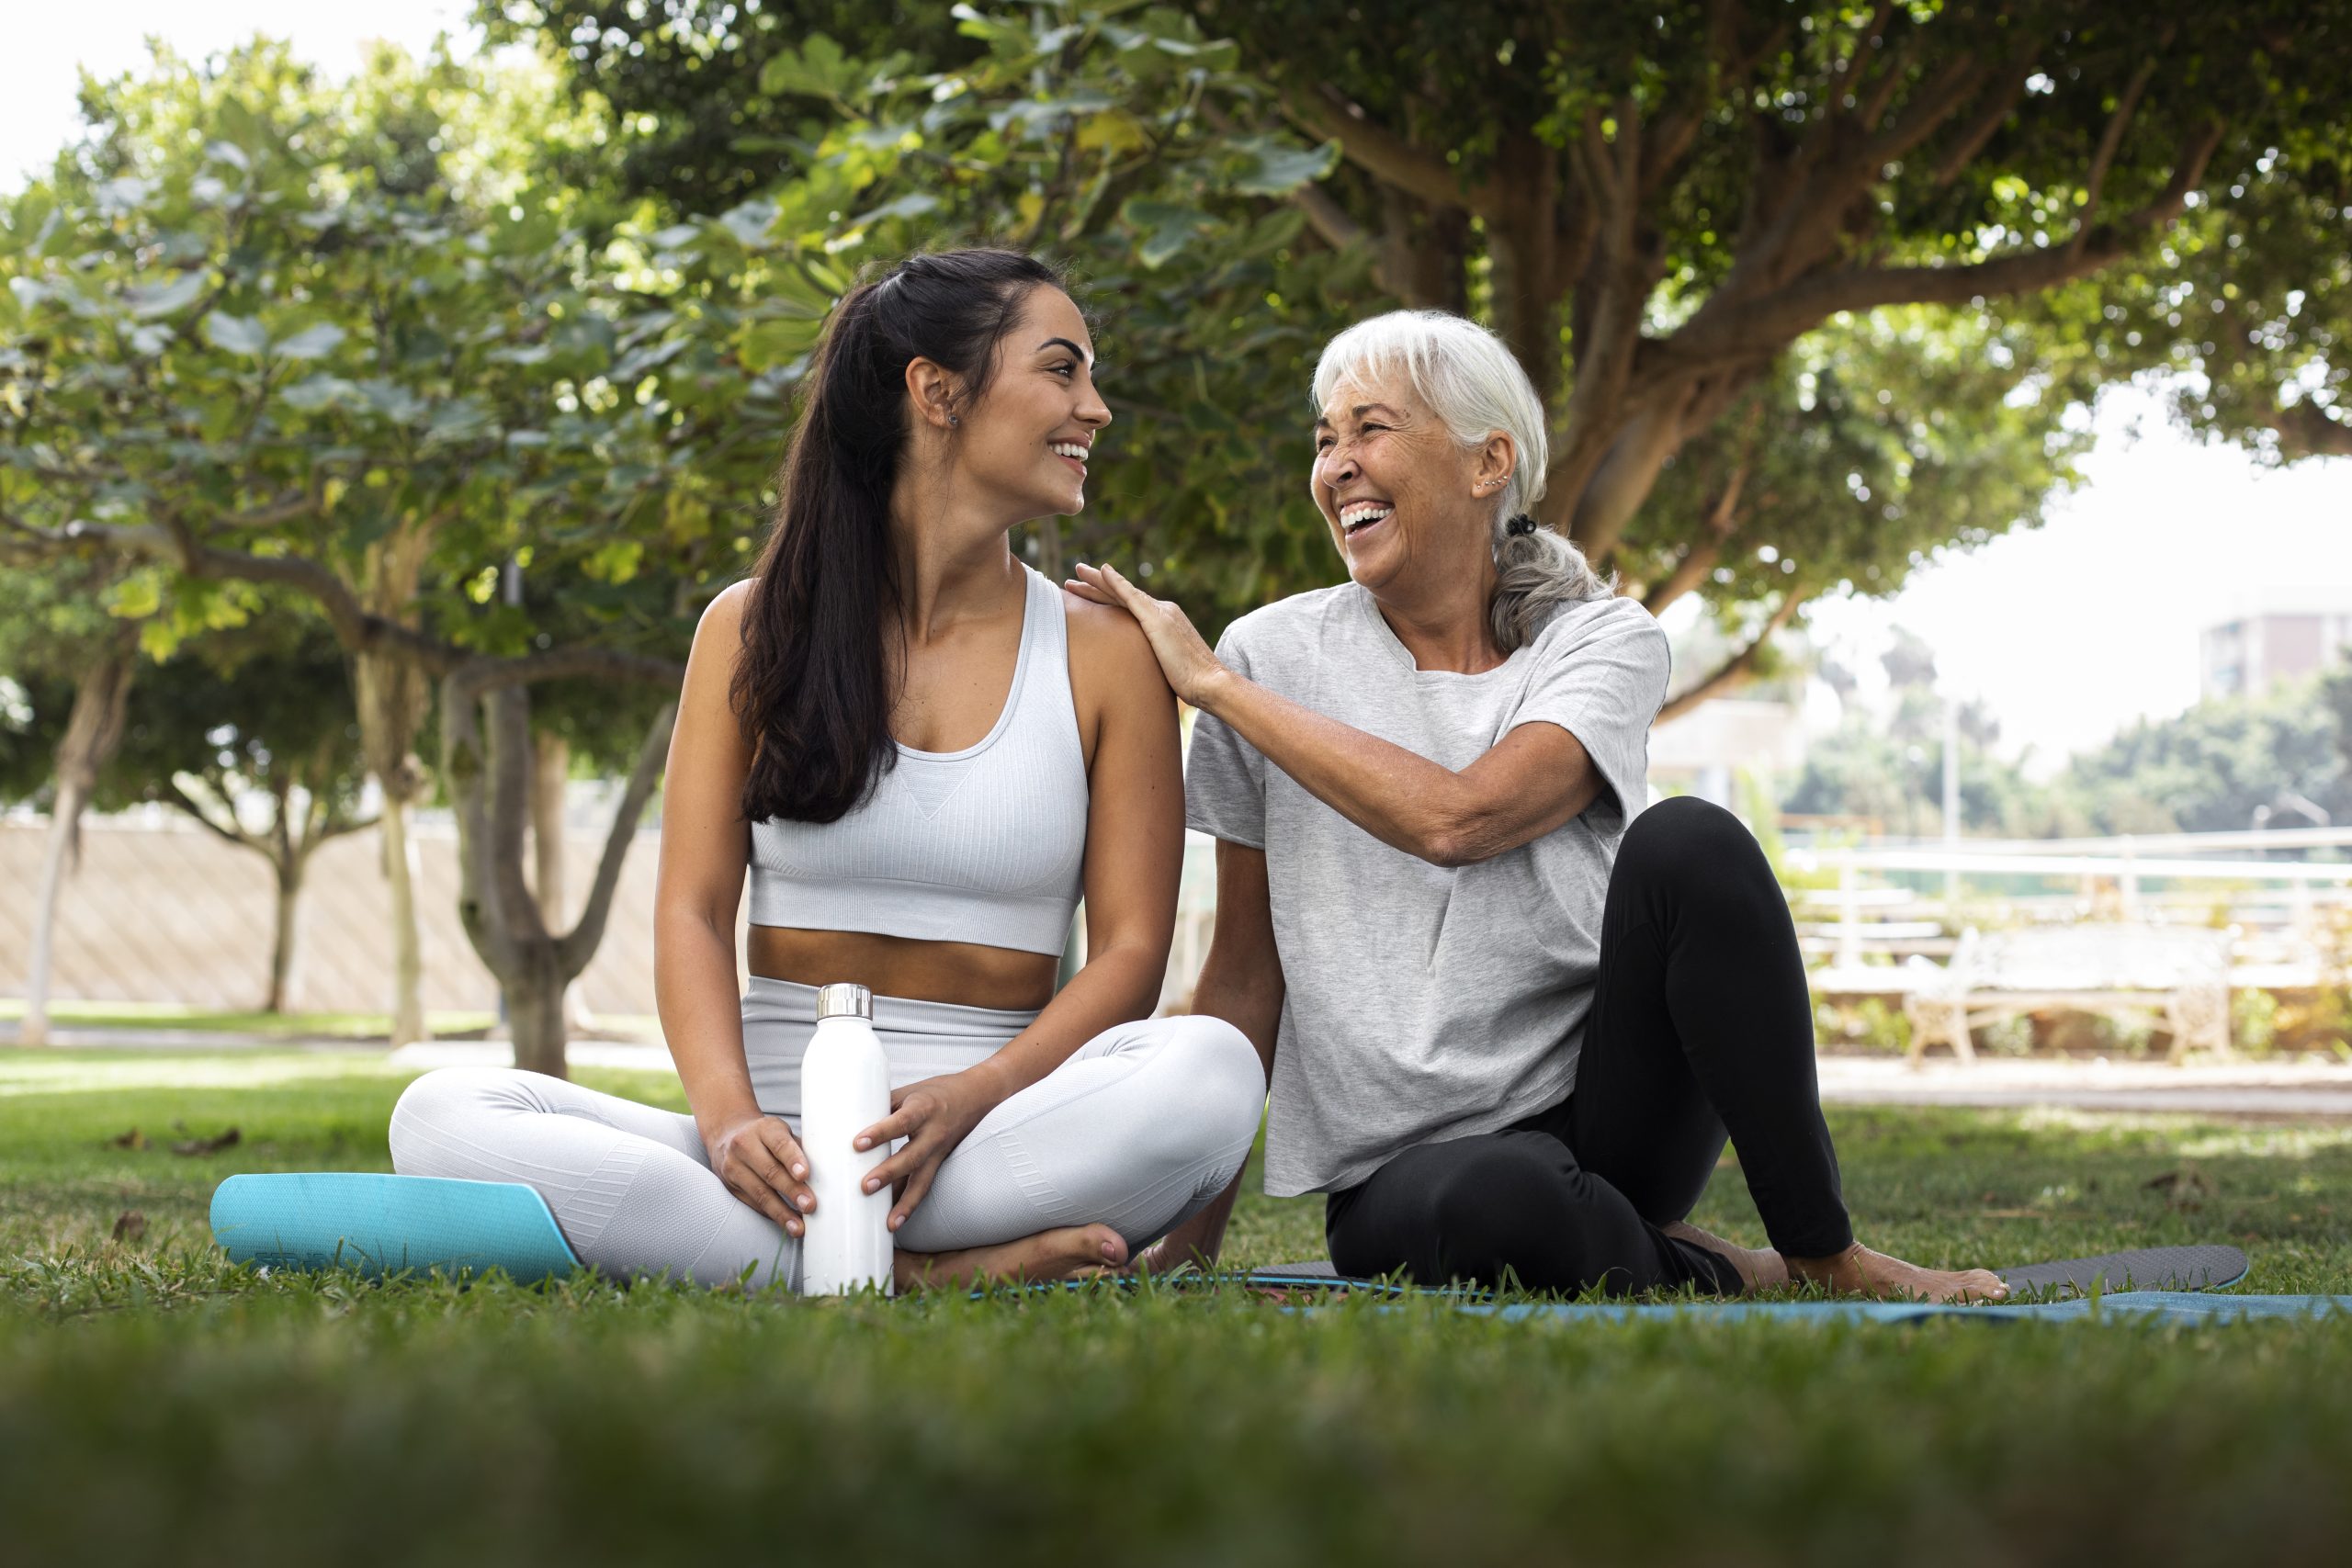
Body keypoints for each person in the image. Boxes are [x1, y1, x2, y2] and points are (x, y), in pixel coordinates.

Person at [1070, 309, 2007, 1302]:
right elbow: (1245, 975)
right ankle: (1731, 1268)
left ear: (1488, 464)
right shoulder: (1270, 655)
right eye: (1324, 439)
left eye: (1370, 429)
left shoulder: (1600, 642)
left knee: (1692, 841)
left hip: (1610, 1114)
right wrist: (1191, 1244)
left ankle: (1823, 1255)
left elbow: (1459, 820)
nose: (1337, 464)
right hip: (1408, 1170)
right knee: (1504, 1204)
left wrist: (1215, 692)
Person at [390, 248, 1265, 1292]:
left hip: (989, 1138)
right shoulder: (749, 629)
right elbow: (693, 913)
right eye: (1062, 371)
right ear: (937, 392)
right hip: (772, 1152)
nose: (1097, 408)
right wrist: (725, 1122)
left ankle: (788, 1260)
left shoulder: (1105, 650)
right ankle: (923, 1275)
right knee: (439, 1117)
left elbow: (1130, 955)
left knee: (1210, 1071)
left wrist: (970, 1096)